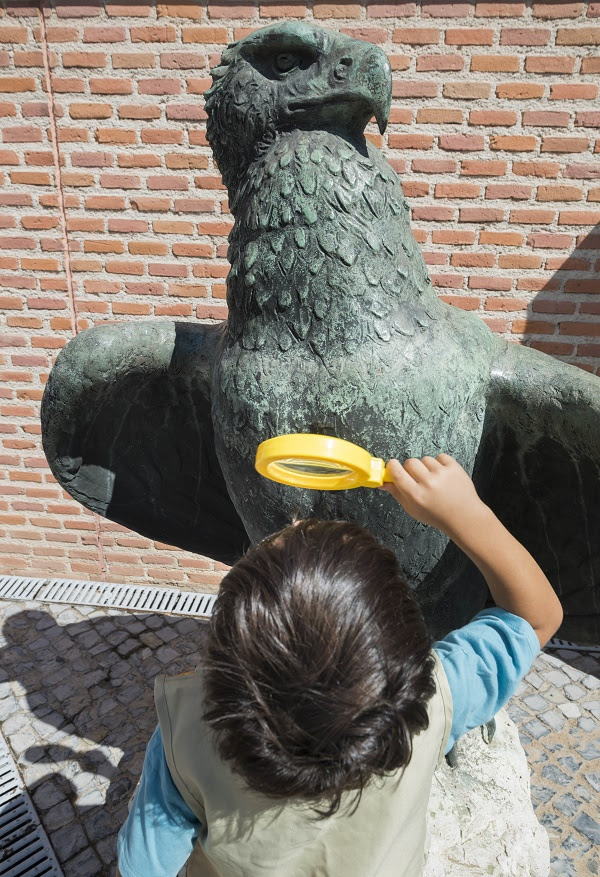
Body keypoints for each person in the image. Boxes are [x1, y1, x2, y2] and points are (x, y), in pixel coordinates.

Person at [116, 453, 563, 877]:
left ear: (224, 659)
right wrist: (465, 513)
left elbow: (141, 867)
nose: (294, 522)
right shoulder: (434, 700)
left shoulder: (187, 724)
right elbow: (537, 616)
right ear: (406, 648)